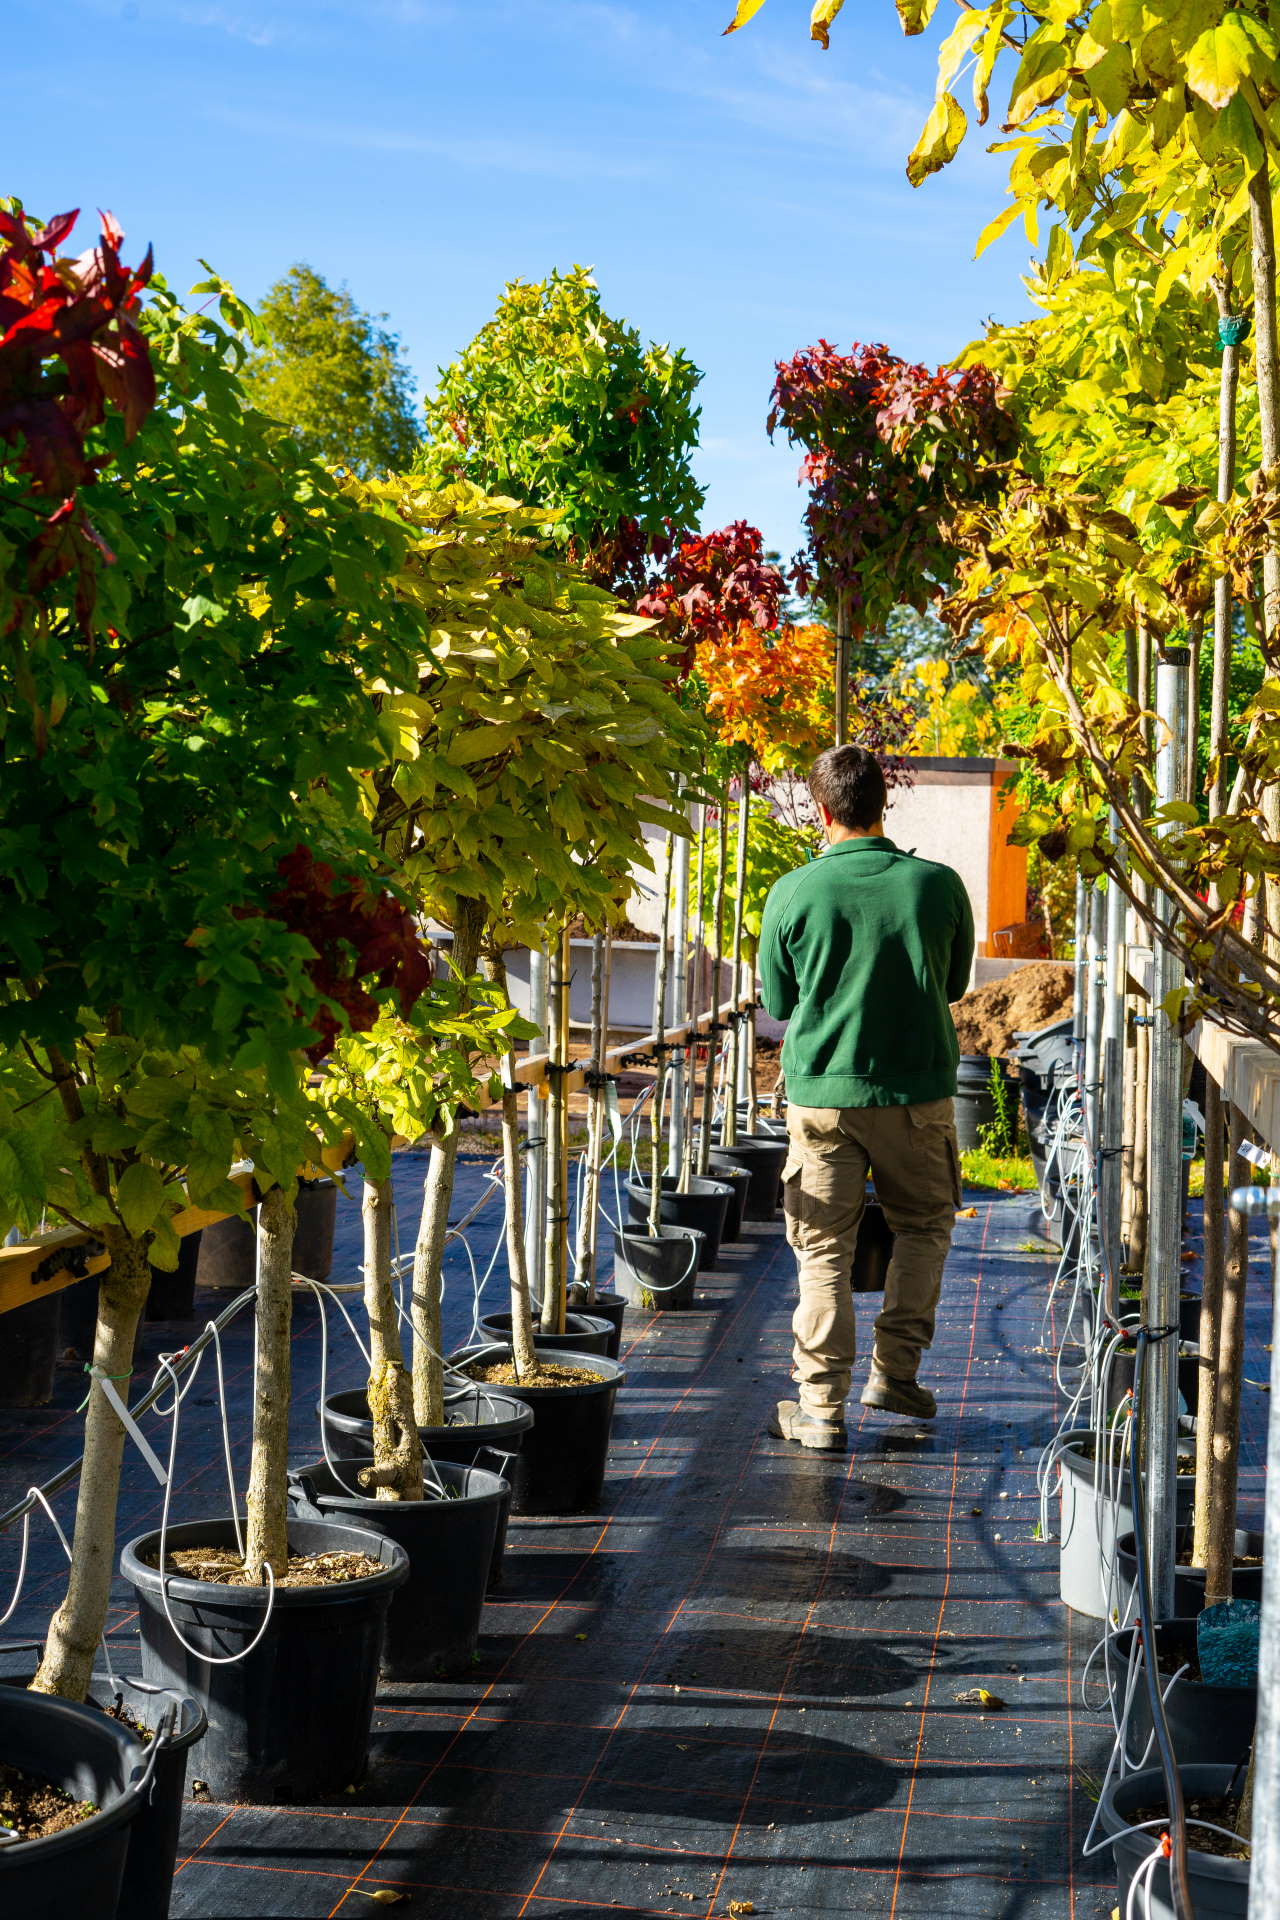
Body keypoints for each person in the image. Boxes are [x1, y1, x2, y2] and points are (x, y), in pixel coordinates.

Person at [757, 743, 975, 1448]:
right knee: (923, 1227)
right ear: (885, 804)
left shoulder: (792, 891)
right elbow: (951, 986)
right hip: (916, 1096)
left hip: (822, 1095)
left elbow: (780, 1001)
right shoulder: (937, 885)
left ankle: (819, 1408)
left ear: (821, 811)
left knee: (822, 1247)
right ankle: (897, 1375)